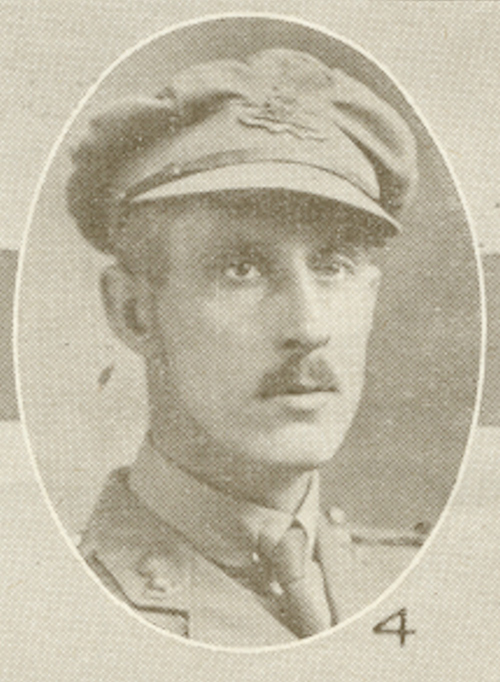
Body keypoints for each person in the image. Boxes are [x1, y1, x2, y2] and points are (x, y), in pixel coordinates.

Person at [67, 47, 423, 647]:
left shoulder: (420, 578)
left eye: (332, 265)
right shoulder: (55, 608)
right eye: (241, 269)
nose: (309, 327)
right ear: (133, 312)